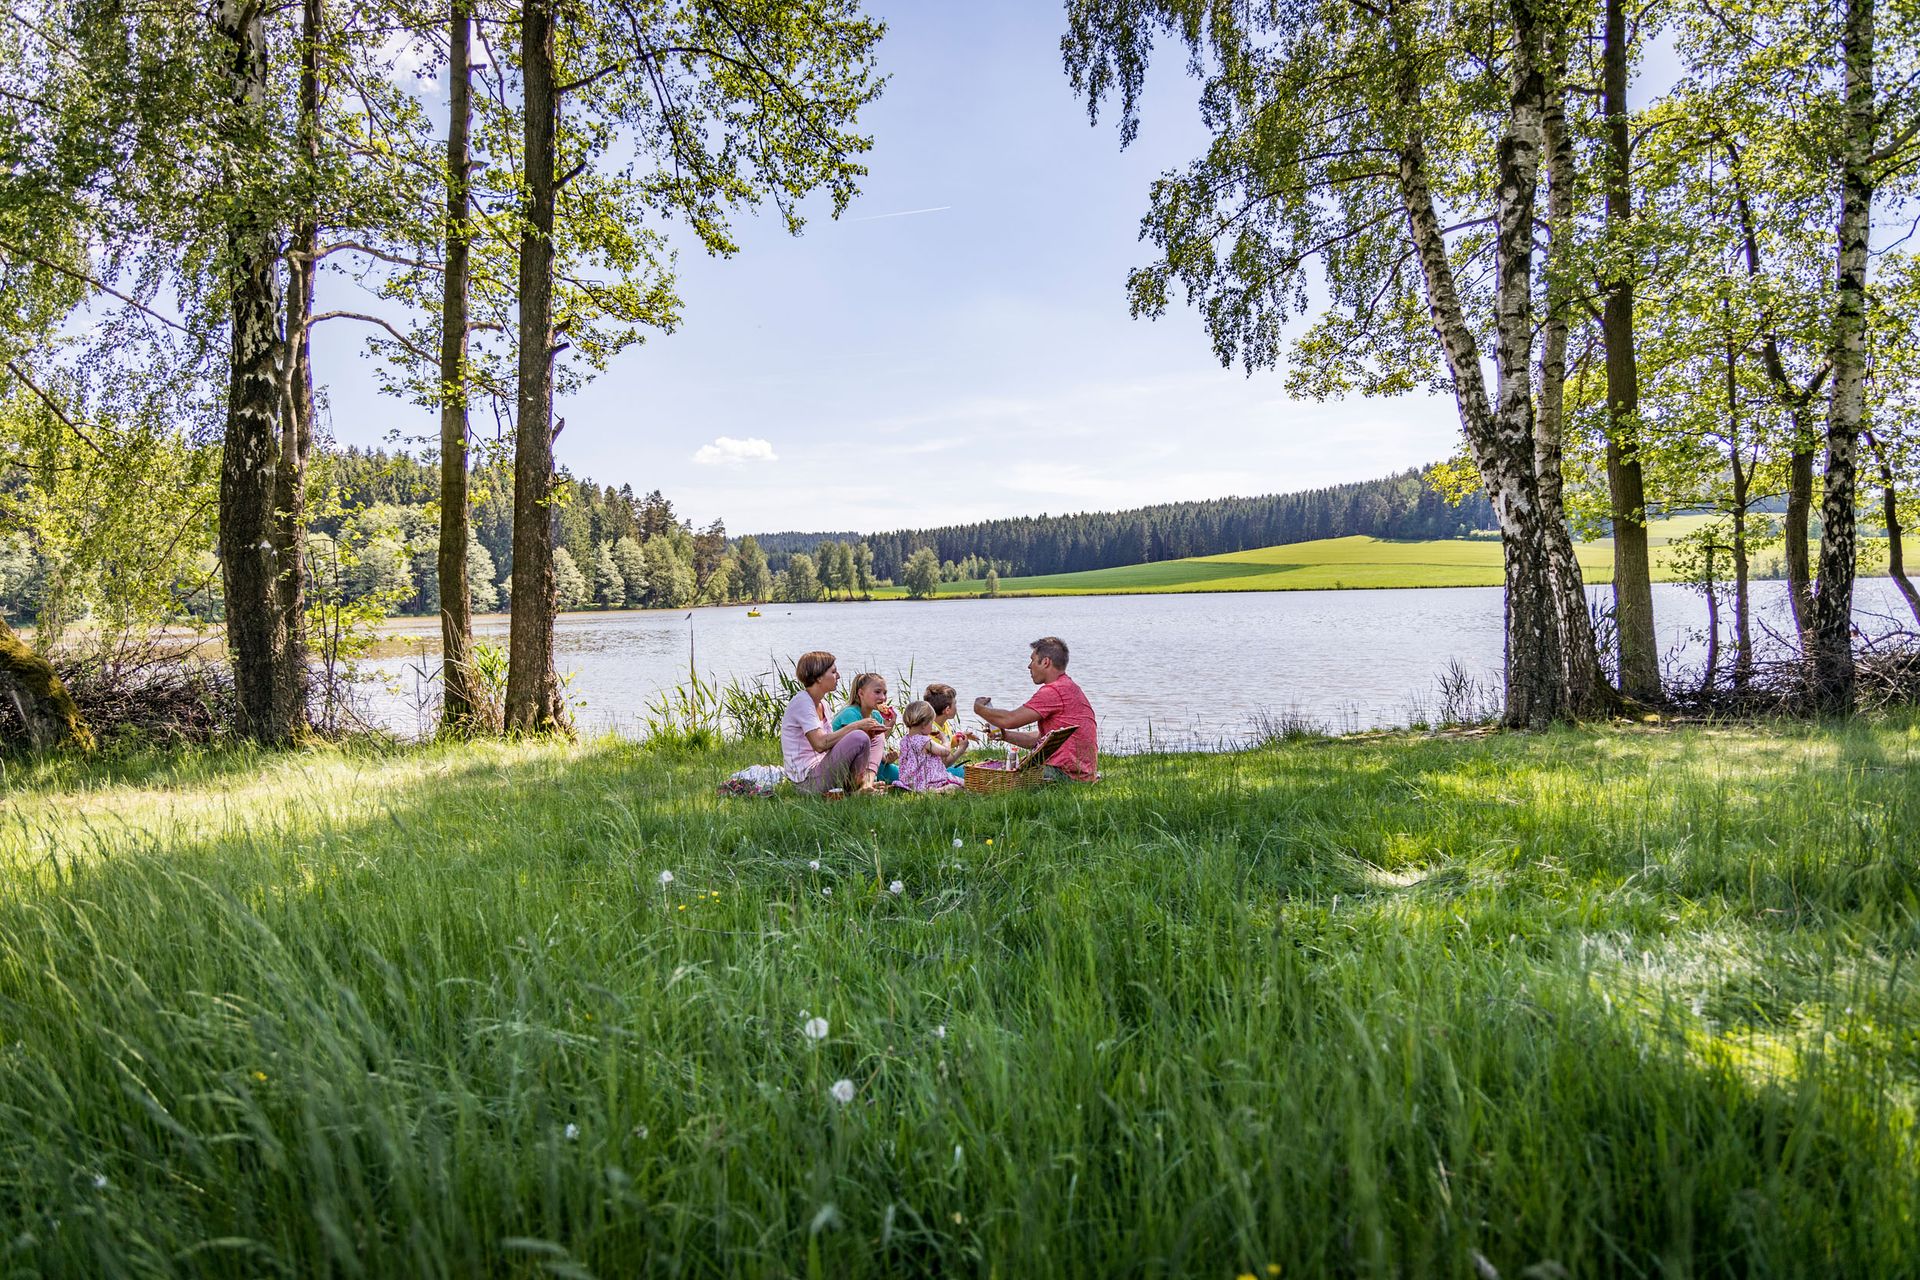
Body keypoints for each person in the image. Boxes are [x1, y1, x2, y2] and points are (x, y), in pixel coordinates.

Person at [972, 635, 1098, 781]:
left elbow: (1009, 719)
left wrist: (979, 708)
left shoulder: (1054, 691)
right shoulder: (1069, 687)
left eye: (1032, 660)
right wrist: (1005, 735)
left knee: (989, 779)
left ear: (1045, 662)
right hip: (1081, 774)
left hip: (1065, 775)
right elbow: (1040, 740)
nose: (1029, 666)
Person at [781, 650, 888, 795]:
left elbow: (829, 746)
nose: (838, 676)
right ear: (819, 677)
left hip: (824, 770)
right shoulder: (802, 702)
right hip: (808, 782)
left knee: (877, 735)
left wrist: (869, 733)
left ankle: (865, 784)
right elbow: (820, 744)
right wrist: (857, 726)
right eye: (833, 672)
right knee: (859, 736)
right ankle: (858, 789)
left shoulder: (823, 704)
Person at [831, 672, 900, 784]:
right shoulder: (850, 714)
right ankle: (867, 783)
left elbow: (876, 743)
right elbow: (858, 749)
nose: (883, 697)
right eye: (877, 692)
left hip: (870, 764)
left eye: (885, 693)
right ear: (861, 693)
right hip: (847, 767)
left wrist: (886, 758)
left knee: (906, 777)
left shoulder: (876, 715)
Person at [892, 700, 963, 792]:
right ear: (924, 724)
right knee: (961, 785)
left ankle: (924, 790)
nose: (932, 726)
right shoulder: (925, 741)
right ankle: (938, 790)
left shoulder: (904, 741)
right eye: (931, 723)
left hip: (912, 781)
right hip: (930, 780)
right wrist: (945, 739)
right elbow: (945, 752)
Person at [922, 682, 974, 779]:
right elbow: (943, 764)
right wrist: (961, 750)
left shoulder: (942, 723)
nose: (956, 706)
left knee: (970, 770)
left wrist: (958, 738)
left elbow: (946, 744)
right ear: (947, 710)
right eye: (955, 703)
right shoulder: (931, 732)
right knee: (972, 773)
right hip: (933, 774)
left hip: (939, 770)